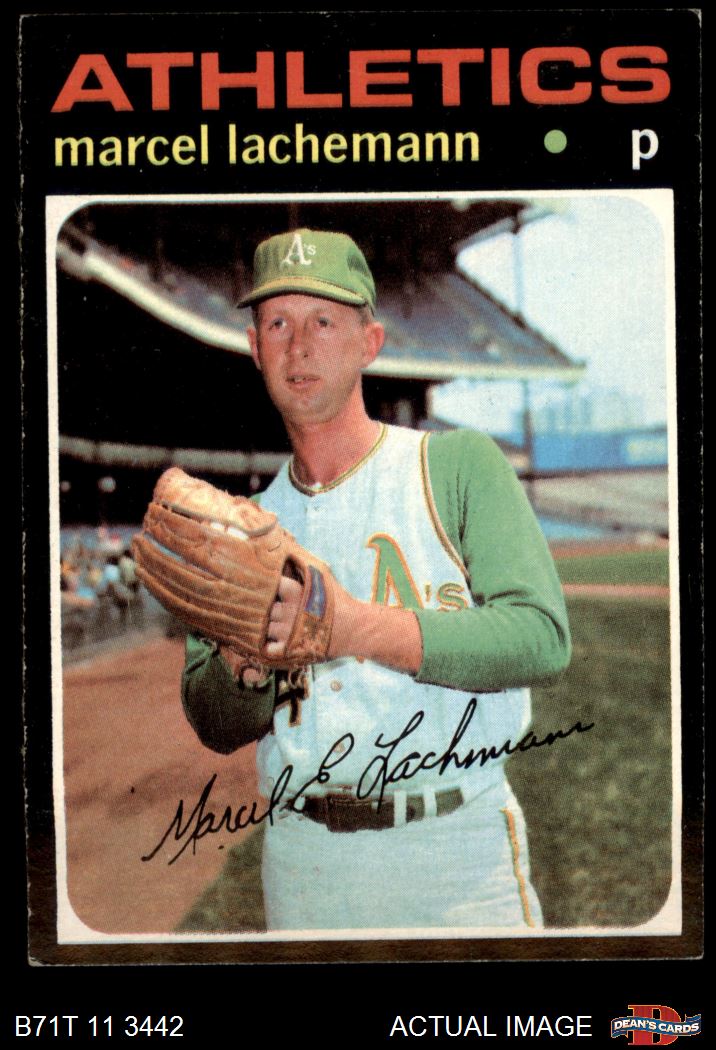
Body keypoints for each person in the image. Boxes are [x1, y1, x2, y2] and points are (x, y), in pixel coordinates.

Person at [181, 228, 571, 932]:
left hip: (456, 849)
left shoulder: (454, 464)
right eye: (278, 323)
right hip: (303, 861)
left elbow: (542, 637)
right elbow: (214, 723)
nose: (299, 346)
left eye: (324, 321)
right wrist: (244, 663)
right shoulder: (242, 527)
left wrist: (355, 627)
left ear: (371, 343)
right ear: (254, 348)